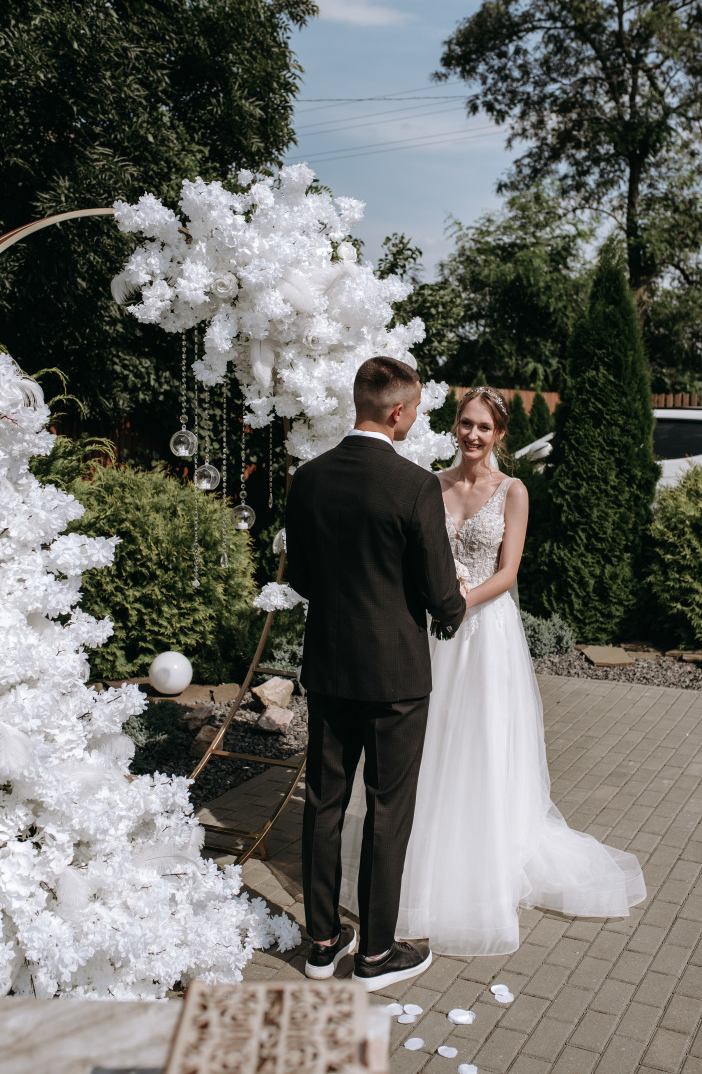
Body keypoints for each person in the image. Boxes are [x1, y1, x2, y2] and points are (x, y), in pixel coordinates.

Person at [340, 386, 646, 956]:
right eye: (465, 424)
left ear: (500, 435)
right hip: (431, 632)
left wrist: (460, 600)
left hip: (484, 631)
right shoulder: (429, 483)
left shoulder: (514, 491)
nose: (472, 436)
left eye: (484, 427)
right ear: (453, 426)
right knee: (424, 745)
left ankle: (479, 858)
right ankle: (413, 856)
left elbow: (508, 572)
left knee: (479, 741)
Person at [285, 356, 467, 990]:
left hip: (330, 666)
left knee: (324, 802)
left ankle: (319, 943)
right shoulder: (414, 485)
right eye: (415, 409)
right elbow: (442, 595)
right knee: (389, 809)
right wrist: (449, 609)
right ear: (397, 412)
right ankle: (376, 953)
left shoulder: (307, 479)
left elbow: (301, 578)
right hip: (394, 677)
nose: (415, 419)